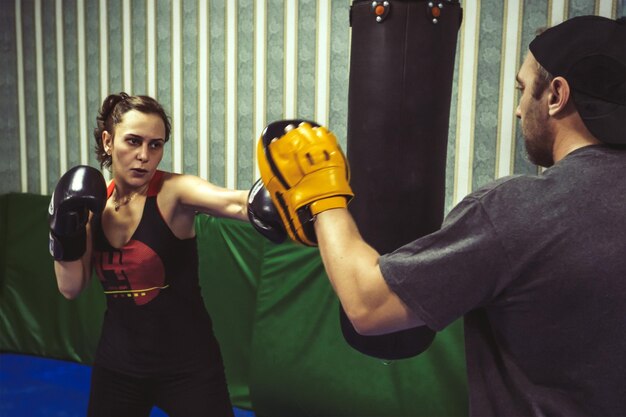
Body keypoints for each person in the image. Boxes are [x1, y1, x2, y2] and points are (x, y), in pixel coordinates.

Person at [257, 16, 626, 416]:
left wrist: (322, 192)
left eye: (523, 90)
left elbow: (368, 305)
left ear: (556, 95)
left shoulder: (519, 210)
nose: (520, 111)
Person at [48, 93, 283, 417]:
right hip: (119, 365)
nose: (144, 155)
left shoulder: (174, 193)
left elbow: (235, 202)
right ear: (107, 140)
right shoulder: (90, 205)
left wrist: (284, 199)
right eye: (133, 141)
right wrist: (64, 230)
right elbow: (71, 287)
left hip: (187, 366)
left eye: (155, 145)